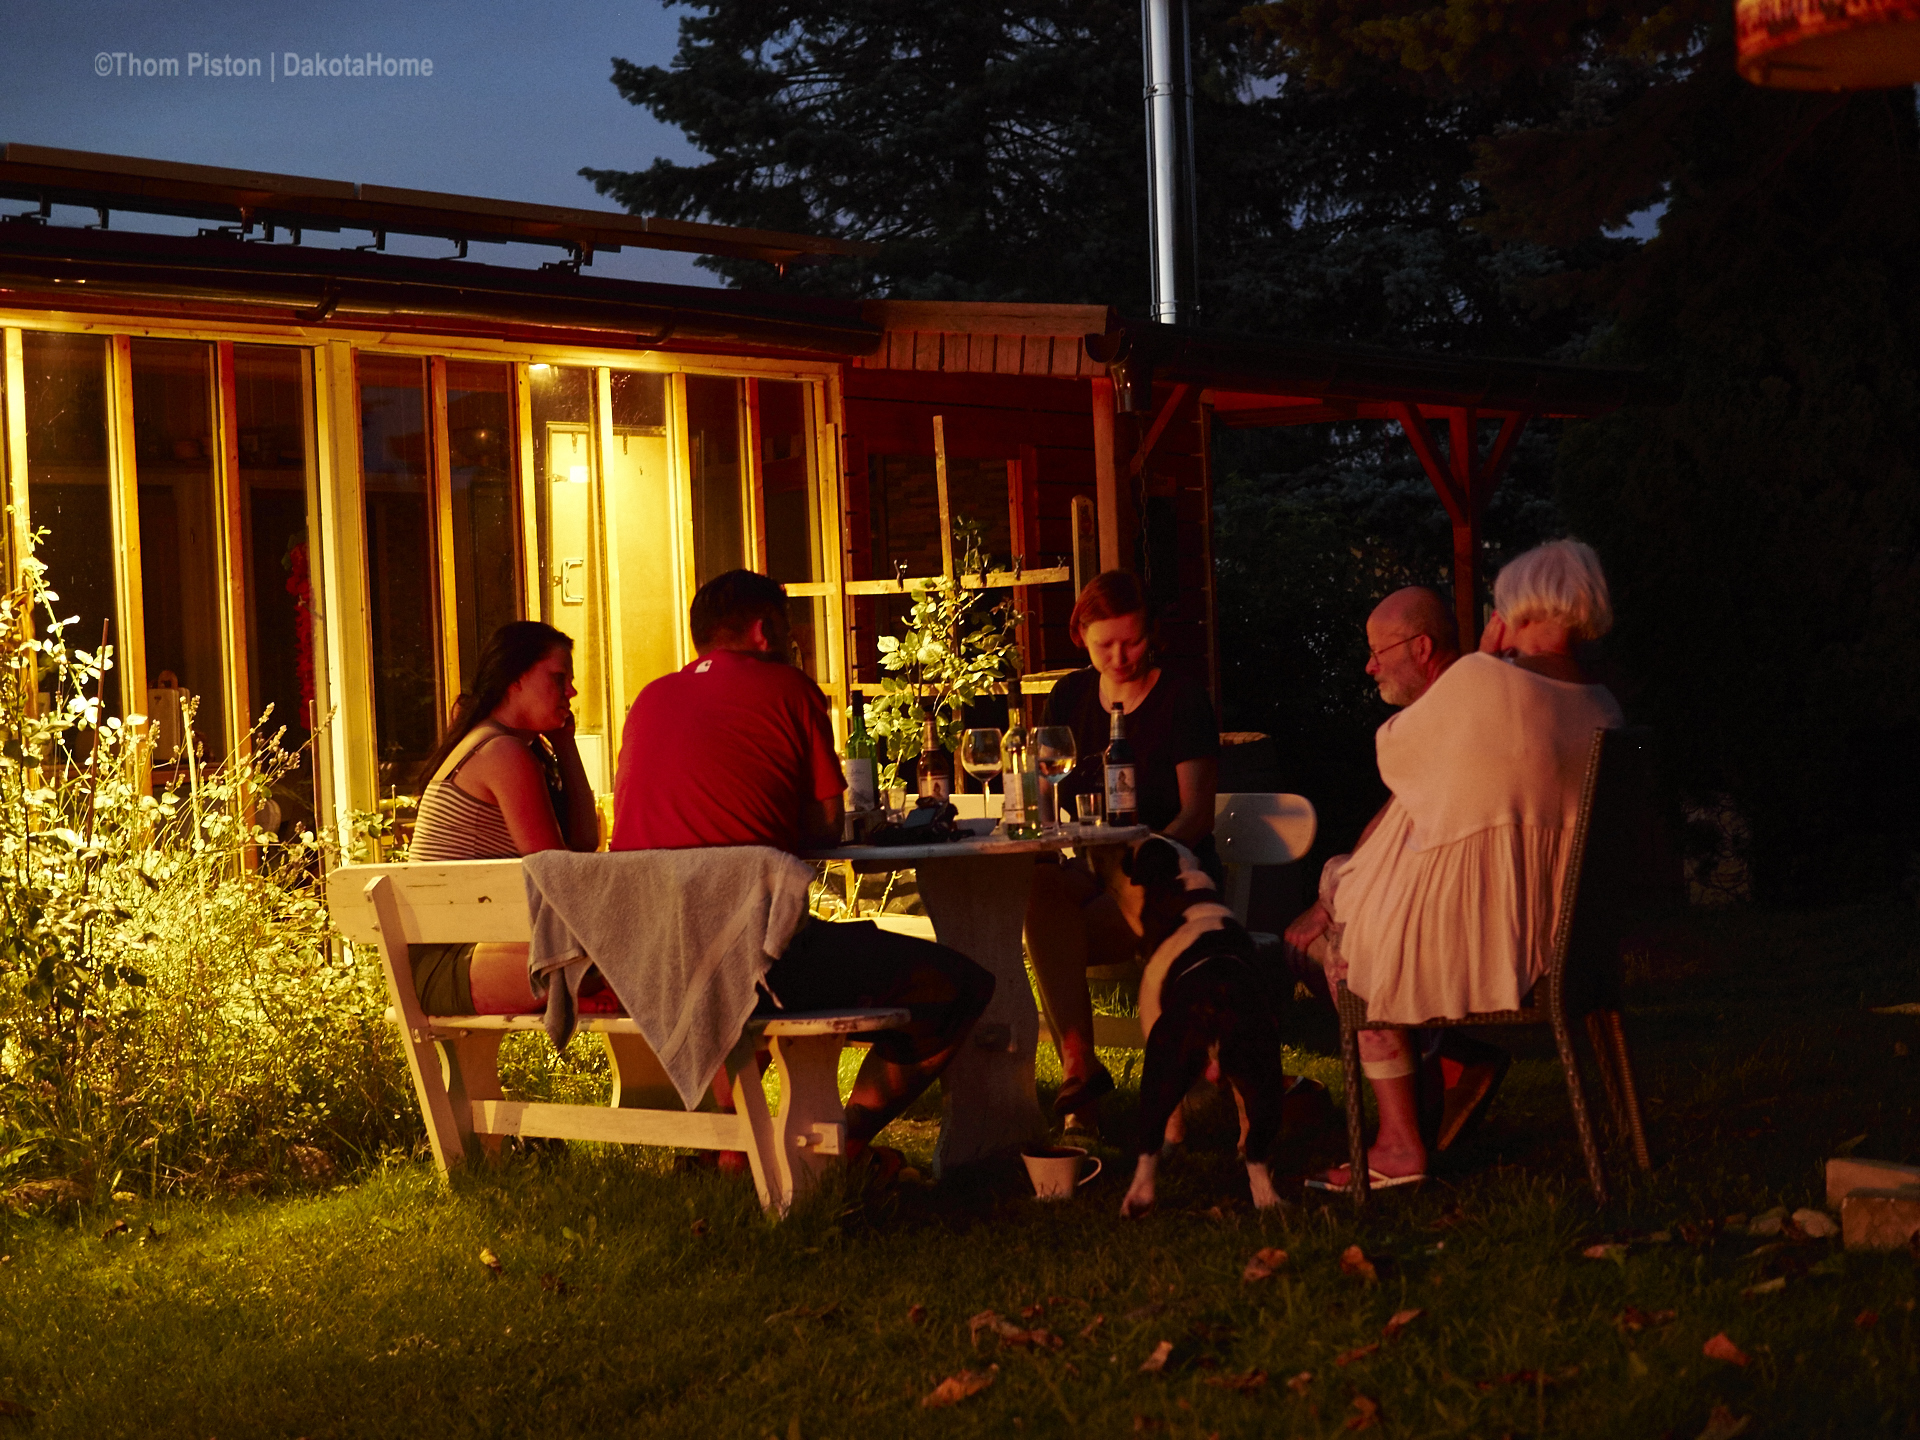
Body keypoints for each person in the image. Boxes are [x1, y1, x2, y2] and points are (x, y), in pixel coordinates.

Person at [611, 569, 994, 1175]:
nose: (794, 642)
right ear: (765, 631)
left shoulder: (649, 699)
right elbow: (823, 826)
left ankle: (741, 1150)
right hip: (751, 958)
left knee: (757, 965)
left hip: (654, 954)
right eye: (789, 630)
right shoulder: (790, 689)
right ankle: (842, 1146)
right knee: (959, 987)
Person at [1302, 540, 1625, 1190]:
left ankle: (1398, 1142)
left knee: (1347, 947)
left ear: (1517, 608)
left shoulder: (1488, 684)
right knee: (1358, 897)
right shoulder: (1604, 705)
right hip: (1571, 942)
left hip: (1495, 944)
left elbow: (1396, 746)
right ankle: (1449, 1078)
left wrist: (1481, 657)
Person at [1025, 570, 1220, 1125]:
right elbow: (1044, 787)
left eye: (1131, 641)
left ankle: (1098, 1087)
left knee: (1060, 933)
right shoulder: (1071, 696)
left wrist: (1143, 857)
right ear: (1081, 636)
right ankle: (1079, 1065)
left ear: (1151, 633)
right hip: (1093, 870)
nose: (1119, 656)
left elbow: (1197, 813)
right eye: (1104, 644)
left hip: (1168, 874)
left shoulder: (1180, 699)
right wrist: (1048, 839)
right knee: (1038, 889)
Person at [406, 621, 601, 1014]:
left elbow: (582, 842)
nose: (571, 692)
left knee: (645, 954)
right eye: (559, 678)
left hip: (477, 952)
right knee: (645, 956)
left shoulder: (505, 746)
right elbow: (556, 870)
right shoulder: (501, 753)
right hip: (454, 964)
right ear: (515, 678)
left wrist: (566, 746)